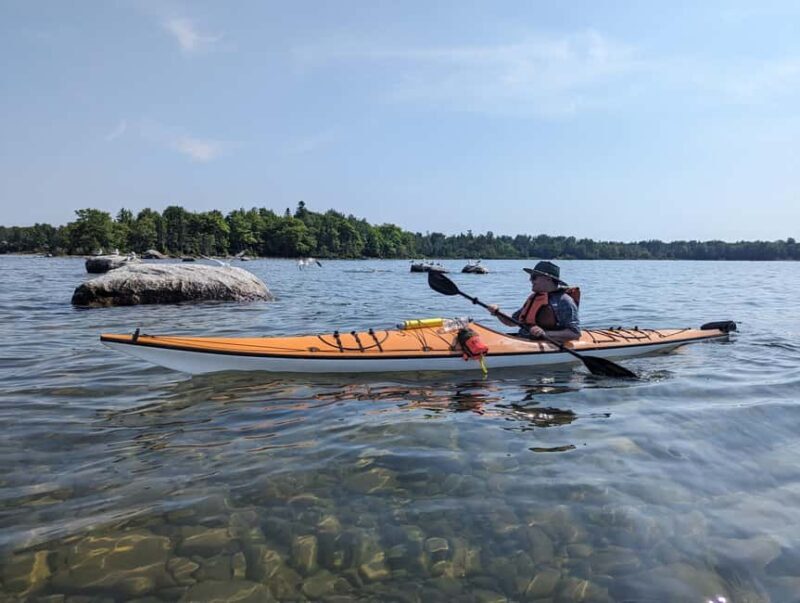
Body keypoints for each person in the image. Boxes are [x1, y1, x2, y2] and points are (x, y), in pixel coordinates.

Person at [488, 260, 581, 342]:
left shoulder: (564, 301)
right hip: (523, 341)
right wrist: (497, 313)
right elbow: (512, 322)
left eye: (534, 277)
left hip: (546, 344)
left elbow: (575, 333)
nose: (530, 280)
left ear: (548, 279)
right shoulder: (535, 298)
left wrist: (545, 333)